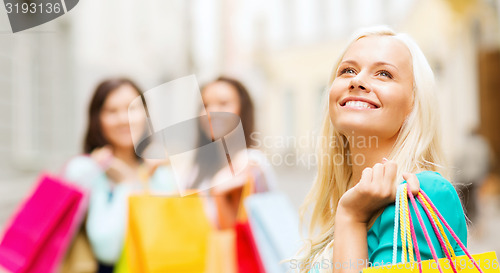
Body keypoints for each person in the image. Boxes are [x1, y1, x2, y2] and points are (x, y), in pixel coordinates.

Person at [296, 26, 467, 273]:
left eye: (384, 74)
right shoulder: (349, 200)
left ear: (414, 104)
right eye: (348, 70)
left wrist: (351, 218)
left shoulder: (422, 194)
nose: (357, 80)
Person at [63, 78, 174, 272]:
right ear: (97, 118)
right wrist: (128, 184)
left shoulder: (158, 171)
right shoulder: (84, 170)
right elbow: (107, 248)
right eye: (112, 111)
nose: (124, 119)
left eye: (132, 108)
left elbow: (169, 239)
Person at [192, 76, 277, 229]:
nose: (211, 112)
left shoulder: (251, 161)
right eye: (205, 105)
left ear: (242, 111)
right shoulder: (200, 168)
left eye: (223, 103)